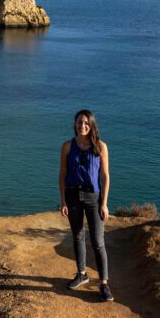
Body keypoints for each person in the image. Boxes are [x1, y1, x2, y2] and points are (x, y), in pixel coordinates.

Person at [59, 109, 113, 301]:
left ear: (91, 125)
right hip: (72, 195)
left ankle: (104, 284)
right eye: (79, 122)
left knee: (98, 242)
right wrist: (63, 200)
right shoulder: (67, 146)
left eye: (86, 123)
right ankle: (81, 273)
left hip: (93, 197)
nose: (82, 126)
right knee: (78, 236)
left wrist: (104, 203)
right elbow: (62, 174)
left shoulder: (100, 146)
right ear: (75, 124)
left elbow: (105, 177)